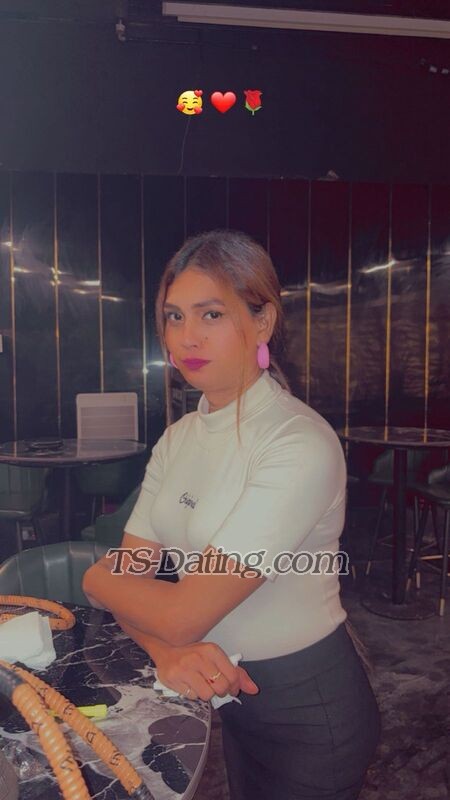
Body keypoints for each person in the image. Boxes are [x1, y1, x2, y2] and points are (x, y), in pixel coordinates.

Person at [83, 229, 380, 800]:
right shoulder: (179, 438)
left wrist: (96, 579)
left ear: (262, 322)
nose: (186, 336)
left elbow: (170, 608)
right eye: (174, 316)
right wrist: (165, 652)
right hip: (227, 698)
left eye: (211, 314)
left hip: (308, 710)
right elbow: (139, 586)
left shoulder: (297, 443)